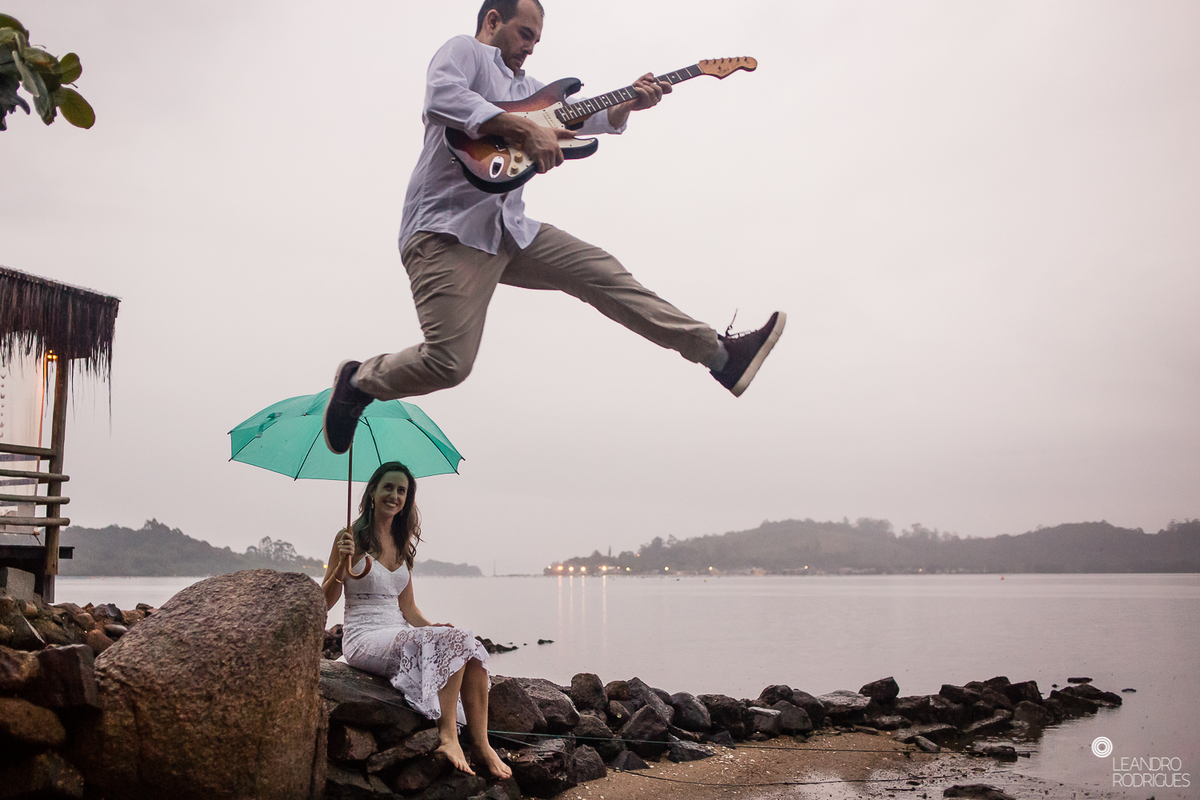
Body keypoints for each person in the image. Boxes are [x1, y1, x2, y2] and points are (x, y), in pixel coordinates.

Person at [322, 0, 785, 454]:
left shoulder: (534, 91)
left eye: (537, 40)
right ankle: (360, 381)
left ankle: (720, 356)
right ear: (493, 20)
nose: (531, 47)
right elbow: (442, 96)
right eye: (525, 34)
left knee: (603, 273)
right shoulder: (464, 51)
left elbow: (588, 115)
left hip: (511, 232)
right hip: (446, 235)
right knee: (449, 363)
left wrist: (629, 102)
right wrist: (525, 132)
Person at [322, 462, 511, 779]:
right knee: (455, 644)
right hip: (363, 636)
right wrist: (341, 566)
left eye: (401, 490)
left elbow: (408, 609)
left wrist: (434, 630)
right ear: (372, 493)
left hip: (396, 629)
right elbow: (324, 601)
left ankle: (481, 744)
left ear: (407, 499)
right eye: (388, 488)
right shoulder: (349, 537)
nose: (394, 495)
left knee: (471, 648)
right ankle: (448, 736)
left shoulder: (401, 542)